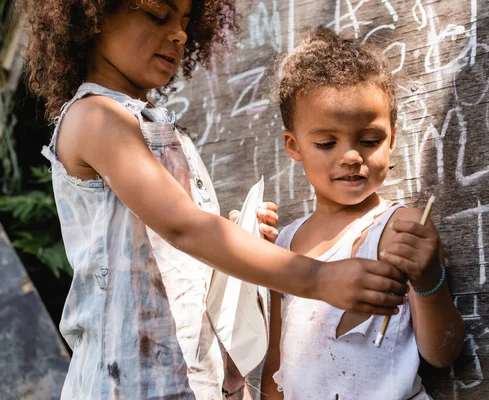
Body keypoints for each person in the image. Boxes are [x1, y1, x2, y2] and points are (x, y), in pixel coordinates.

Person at [17, 1, 409, 398]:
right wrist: (319, 277)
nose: (180, 34)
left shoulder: (153, 123)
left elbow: (179, 254)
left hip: (194, 378)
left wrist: (241, 237)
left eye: (186, 22)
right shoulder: (96, 118)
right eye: (158, 15)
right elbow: (184, 227)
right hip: (130, 382)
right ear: (93, 18)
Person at [261, 27, 465, 399]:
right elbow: (277, 362)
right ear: (293, 145)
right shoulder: (284, 244)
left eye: (369, 140)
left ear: (392, 138)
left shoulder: (401, 229)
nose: (352, 156)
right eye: (326, 143)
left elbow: (442, 353)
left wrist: (429, 277)